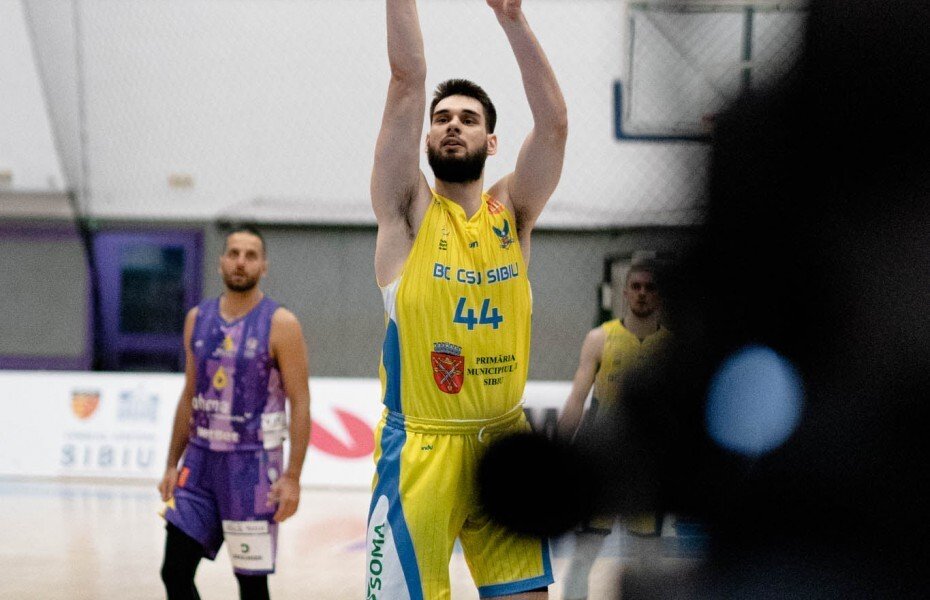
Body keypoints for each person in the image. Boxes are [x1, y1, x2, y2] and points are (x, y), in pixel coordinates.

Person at [366, 0, 568, 597]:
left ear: (492, 141)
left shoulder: (514, 213)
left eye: (469, 118)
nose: (453, 125)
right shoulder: (407, 213)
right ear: (427, 136)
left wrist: (513, 20)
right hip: (421, 451)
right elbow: (407, 80)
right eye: (443, 118)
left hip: (505, 442)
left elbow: (554, 126)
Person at [158, 225, 312, 600]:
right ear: (221, 262)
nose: (241, 262)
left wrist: (292, 477)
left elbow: (300, 402)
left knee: (252, 587)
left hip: (253, 472)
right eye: (234, 253)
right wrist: (172, 463)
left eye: (251, 255)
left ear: (264, 266)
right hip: (199, 465)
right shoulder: (197, 318)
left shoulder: (281, 324)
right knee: (174, 571)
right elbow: (190, 393)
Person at [556, 262, 669, 600]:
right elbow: (577, 399)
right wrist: (560, 452)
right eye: (636, 286)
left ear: (660, 295)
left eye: (650, 287)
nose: (642, 293)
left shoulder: (672, 346)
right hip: (602, 461)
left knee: (648, 558)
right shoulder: (600, 338)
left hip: (648, 466)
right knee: (585, 552)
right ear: (625, 292)